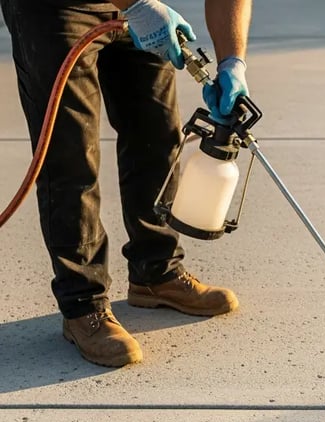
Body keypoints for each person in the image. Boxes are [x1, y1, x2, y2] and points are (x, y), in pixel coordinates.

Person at [0, 0, 251, 367]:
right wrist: (138, 6)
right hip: (55, 8)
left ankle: (156, 271)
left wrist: (233, 61)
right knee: (70, 152)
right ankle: (83, 305)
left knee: (157, 133)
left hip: (138, 5)